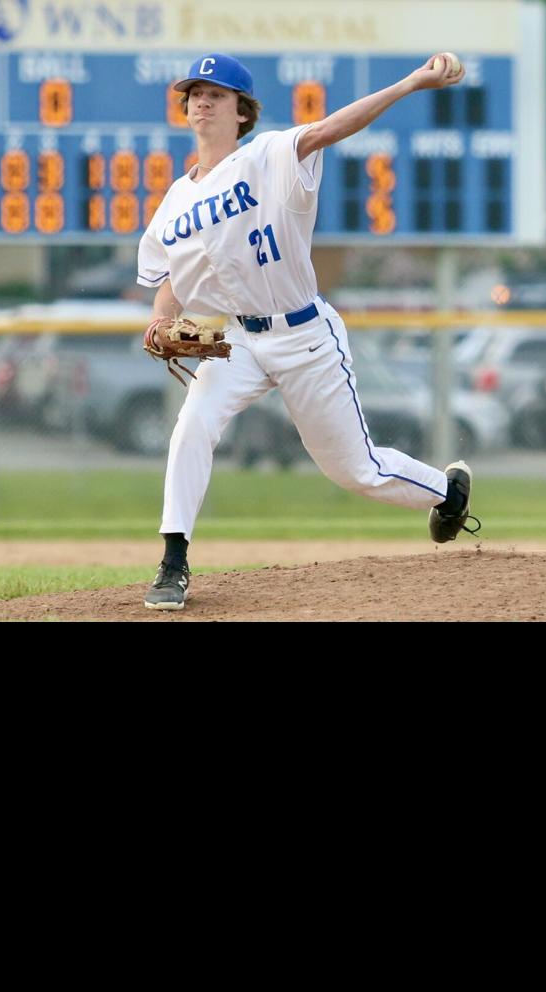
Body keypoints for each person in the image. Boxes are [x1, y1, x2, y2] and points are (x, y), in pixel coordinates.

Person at [136, 52, 476, 611]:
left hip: (304, 335)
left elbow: (330, 128)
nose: (202, 102)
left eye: (216, 94)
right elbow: (170, 276)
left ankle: (448, 491)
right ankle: (173, 562)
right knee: (191, 427)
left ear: (242, 112)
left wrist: (412, 83)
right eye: (195, 94)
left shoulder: (270, 155)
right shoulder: (176, 200)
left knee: (355, 470)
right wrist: (158, 321)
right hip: (236, 340)